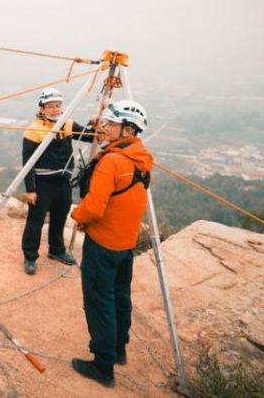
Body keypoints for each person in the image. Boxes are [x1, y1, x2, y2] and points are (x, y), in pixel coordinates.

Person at [69, 100, 153, 388]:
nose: (106, 128)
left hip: (103, 243)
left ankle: (103, 365)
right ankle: (118, 349)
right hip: (125, 245)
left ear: (127, 129)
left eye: (112, 124)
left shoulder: (112, 161)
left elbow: (93, 206)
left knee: (99, 300)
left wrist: (77, 215)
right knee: (119, 298)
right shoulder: (141, 159)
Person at [20, 87, 94, 275]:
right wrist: (31, 189)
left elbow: (88, 136)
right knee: (36, 220)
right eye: (50, 106)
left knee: (60, 216)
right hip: (43, 182)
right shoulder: (34, 130)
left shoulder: (67, 123)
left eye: (58, 106)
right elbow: (28, 163)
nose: (55, 109)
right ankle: (30, 256)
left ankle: (56, 250)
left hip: (63, 181)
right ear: (42, 108)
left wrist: (95, 124)